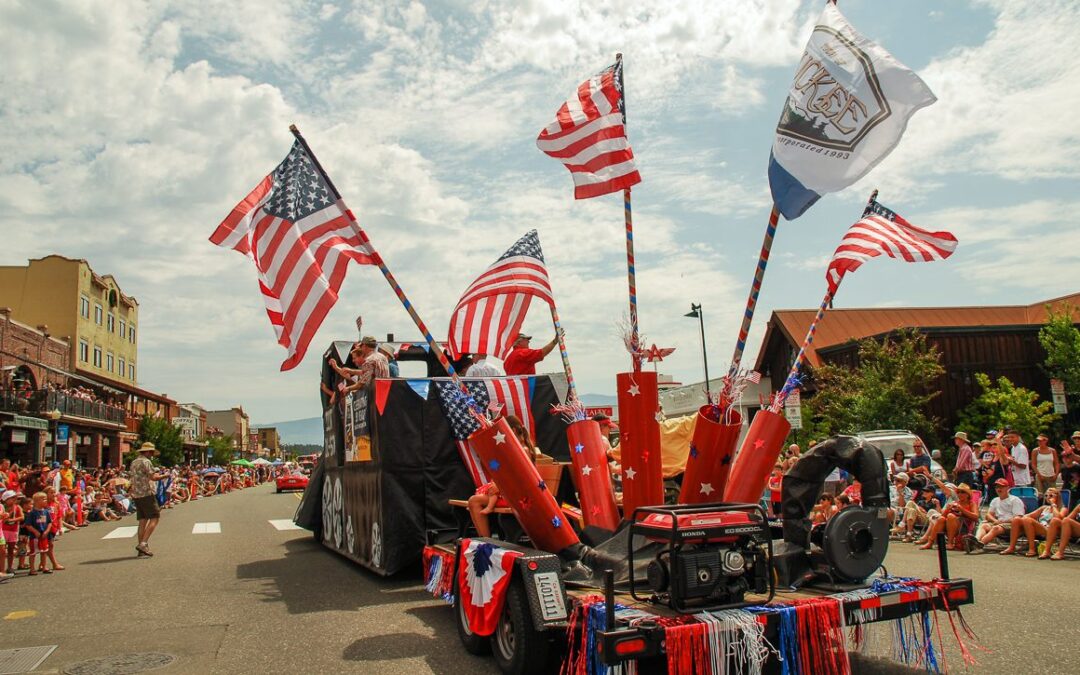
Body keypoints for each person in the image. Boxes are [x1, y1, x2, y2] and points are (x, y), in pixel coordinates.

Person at [1006, 487, 1065, 558]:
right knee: (1017, 519)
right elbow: (1027, 515)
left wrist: (1053, 504)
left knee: (1027, 520)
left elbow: (1058, 518)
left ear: (1057, 496)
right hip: (1041, 529)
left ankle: (1032, 549)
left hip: (1051, 531)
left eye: (1051, 495)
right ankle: (1011, 547)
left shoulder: (1063, 509)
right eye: (1046, 495)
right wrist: (1012, 519)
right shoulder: (1044, 508)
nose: (1048, 497)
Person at [130, 441, 164, 557]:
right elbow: (153, 477)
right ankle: (143, 544)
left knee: (143, 520)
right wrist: (165, 476)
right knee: (155, 517)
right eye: (152, 453)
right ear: (148, 452)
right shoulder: (146, 461)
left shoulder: (134, 462)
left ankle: (141, 547)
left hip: (136, 493)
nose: (152, 455)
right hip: (146, 492)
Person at [971, 478, 1026, 549]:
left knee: (996, 528)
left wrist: (1002, 522)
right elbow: (988, 515)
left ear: (1007, 488)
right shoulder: (995, 500)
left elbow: (1018, 518)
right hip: (998, 524)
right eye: (997, 487)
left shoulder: (1015, 500)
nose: (999, 489)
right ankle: (976, 541)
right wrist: (995, 521)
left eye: (1001, 487)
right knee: (984, 525)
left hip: (1012, 525)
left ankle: (980, 543)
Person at [922, 483, 978, 551]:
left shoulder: (971, 504)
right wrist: (948, 509)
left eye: (963, 492)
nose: (960, 494)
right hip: (950, 526)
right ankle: (930, 542)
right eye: (958, 492)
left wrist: (962, 510)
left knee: (951, 516)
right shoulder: (955, 503)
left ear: (968, 494)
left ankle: (950, 543)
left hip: (964, 527)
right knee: (942, 519)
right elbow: (942, 517)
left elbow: (976, 517)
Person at [23, 492, 52, 575]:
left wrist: (46, 531)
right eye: (43, 499)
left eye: (46, 498)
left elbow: (49, 522)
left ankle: (44, 566)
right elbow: (28, 525)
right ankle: (32, 569)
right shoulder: (32, 513)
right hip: (35, 536)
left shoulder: (46, 512)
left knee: (44, 551)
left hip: (44, 535)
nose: (45, 500)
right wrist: (35, 531)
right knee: (33, 552)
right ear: (36, 501)